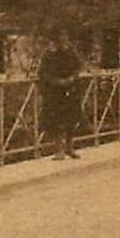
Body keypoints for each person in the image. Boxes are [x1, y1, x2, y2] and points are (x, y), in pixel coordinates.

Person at [36, 30, 84, 160]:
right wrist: (56, 81)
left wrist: (72, 79)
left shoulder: (71, 52)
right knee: (56, 121)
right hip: (54, 90)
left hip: (70, 88)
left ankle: (69, 147)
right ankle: (58, 149)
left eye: (65, 38)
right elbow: (43, 72)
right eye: (60, 39)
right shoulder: (48, 54)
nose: (63, 41)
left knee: (71, 119)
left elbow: (78, 67)